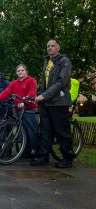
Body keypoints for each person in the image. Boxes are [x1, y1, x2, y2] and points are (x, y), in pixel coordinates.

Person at [33, 39, 74, 168]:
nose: (50, 48)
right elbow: (46, 83)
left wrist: (44, 95)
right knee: (45, 131)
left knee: (62, 131)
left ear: (58, 48)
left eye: (52, 46)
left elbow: (61, 82)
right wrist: (41, 95)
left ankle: (67, 158)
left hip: (59, 102)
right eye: (48, 46)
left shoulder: (64, 61)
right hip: (46, 103)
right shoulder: (47, 61)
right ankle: (44, 157)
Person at [0, 64, 39, 157]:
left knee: (32, 131)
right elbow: (6, 92)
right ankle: (25, 151)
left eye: (22, 70)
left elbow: (32, 93)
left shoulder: (31, 80)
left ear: (26, 71)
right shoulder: (14, 83)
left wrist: (25, 101)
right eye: (18, 71)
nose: (20, 72)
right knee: (22, 132)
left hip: (30, 108)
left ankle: (36, 150)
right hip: (19, 109)